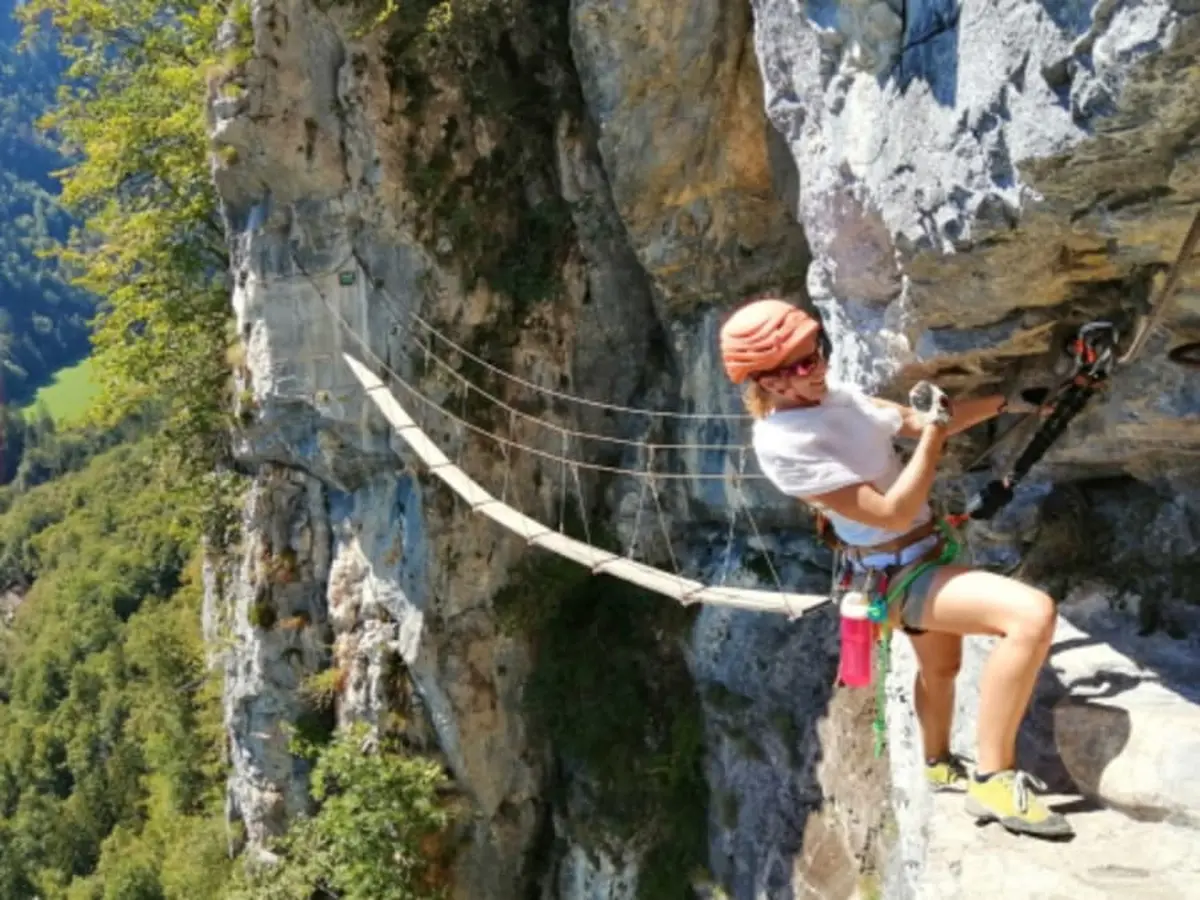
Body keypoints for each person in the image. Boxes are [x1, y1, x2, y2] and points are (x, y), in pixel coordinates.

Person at [718, 295, 1073, 839]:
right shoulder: (782, 446)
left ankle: (935, 762)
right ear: (767, 382)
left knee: (943, 669)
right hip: (896, 574)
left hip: (929, 552)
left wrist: (1010, 403)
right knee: (1031, 617)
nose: (820, 368)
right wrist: (934, 430)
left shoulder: (836, 397)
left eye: (819, 352)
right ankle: (993, 779)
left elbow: (913, 421)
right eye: (802, 364)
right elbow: (894, 509)